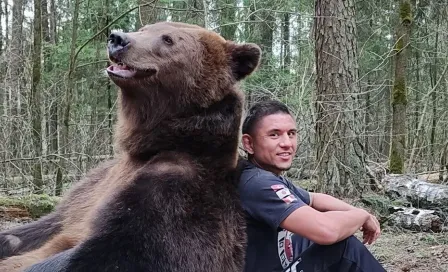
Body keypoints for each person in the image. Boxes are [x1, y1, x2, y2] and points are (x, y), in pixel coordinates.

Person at [239, 99, 386, 272]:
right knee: (343, 247)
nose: (287, 143)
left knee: (309, 236)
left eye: (291, 133)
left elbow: (314, 199)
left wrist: (361, 214)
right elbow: (327, 231)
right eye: (274, 134)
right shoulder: (257, 183)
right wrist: (361, 215)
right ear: (249, 144)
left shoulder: (263, 176)